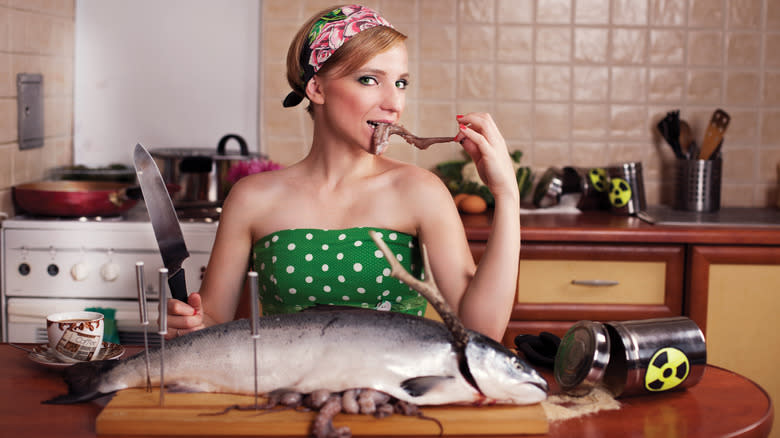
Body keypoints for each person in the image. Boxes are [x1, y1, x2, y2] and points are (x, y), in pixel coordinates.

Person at [165, 4, 521, 343]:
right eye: (369, 79)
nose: (394, 103)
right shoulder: (251, 198)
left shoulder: (420, 191)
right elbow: (212, 324)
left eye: (400, 83)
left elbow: (481, 331)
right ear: (316, 88)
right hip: (284, 397)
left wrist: (506, 195)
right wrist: (190, 324)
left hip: (393, 398)